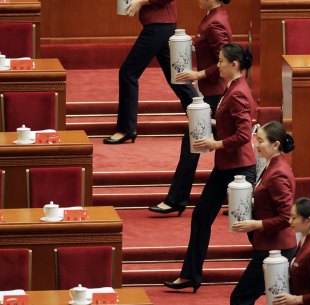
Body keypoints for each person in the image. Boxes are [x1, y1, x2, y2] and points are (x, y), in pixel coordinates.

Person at [163, 42, 257, 292]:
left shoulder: (237, 93)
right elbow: (231, 123)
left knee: (251, 228)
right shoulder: (234, 88)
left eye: (221, 61)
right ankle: (191, 275)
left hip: (239, 170)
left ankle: (281, 265)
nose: (218, 66)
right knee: (201, 216)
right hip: (227, 167)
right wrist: (207, 120)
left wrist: (215, 143)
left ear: (234, 65)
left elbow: (244, 135)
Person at [148, 0, 233, 215]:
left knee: (193, 143)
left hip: (214, 94)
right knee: (227, 147)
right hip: (213, 91)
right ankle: (241, 198)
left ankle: (176, 199)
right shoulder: (215, 15)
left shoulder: (214, 23)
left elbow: (226, 61)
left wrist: (199, 74)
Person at [104, 0, 198, 145]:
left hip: (158, 27)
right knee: (178, 77)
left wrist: (141, 2)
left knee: (128, 73)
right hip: (162, 25)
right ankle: (204, 122)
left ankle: (126, 129)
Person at [230, 121, 297, 305]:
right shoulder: (272, 165)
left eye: (260, 141)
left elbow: (286, 217)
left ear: (275, 145)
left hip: (275, 249)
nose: (256, 144)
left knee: (240, 299)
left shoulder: (278, 174)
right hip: (270, 245)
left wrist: (255, 224)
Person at [273, 198, 310, 305]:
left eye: (294, 217)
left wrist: (295, 299)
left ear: (309, 221)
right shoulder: (305, 240)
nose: (290, 221)